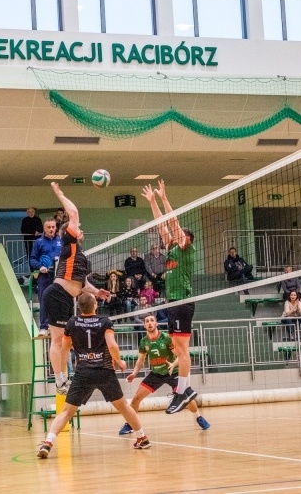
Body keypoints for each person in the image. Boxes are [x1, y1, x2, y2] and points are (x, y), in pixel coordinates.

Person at [38, 293, 149, 458]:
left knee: (67, 411)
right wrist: (119, 361)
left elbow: (64, 349)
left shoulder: (72, 323)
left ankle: (48, 442)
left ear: (79, 307)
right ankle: (142, 437)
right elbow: (112, 345)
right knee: (123, 406)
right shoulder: (105, 322)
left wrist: (61, 374)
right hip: (104, 371)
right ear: (95, 305)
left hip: (83, 372)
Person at [41, 183, 110, 394]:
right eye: (78, 228)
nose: (80, 230)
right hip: (57, 294)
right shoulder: (69, 242)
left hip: (66, 297)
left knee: (65, 342)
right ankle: (60, 380)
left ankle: (63, 378)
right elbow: (74, 212)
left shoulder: (80, 256)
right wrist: (59, 193)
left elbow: (82, 284)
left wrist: (96, 292)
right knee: (58, 339)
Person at [141, 179, 197, 414]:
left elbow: (173, 223)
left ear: (187, 238)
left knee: (182, 350)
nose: (176, 233)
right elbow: (162, 225)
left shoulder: (186, 248)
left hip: (182, 302)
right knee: (178, 347)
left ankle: (182, 391)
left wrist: (164, 198)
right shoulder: (173, 248)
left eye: (181, 233)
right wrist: (153, 202)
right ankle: (184, 391)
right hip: (173, 303)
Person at [119, 314, 210, 436]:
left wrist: (173, 364)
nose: (150, 323)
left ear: (156, 323)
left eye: (152, 320)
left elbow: (180, 356)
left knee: (186, 398)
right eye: (147, 321)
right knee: (136, 399)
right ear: (144, 325)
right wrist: (134, 373)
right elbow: (140, 360)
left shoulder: (166, 338)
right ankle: (129, 424)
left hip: (172, 372)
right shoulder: (143, 342)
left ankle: (198, 417)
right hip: (156, 374)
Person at [29, 219, 62, 337]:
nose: (51, 229)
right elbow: (32, 259)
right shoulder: (39, 242)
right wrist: (40, 266)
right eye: (49, 227)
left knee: (59, 301)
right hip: (44, 276)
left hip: (59, 276)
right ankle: (43, 326)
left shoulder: (61, 241)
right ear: (44, 228)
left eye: (53, 227)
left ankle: (59, 326)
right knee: (44, 299)